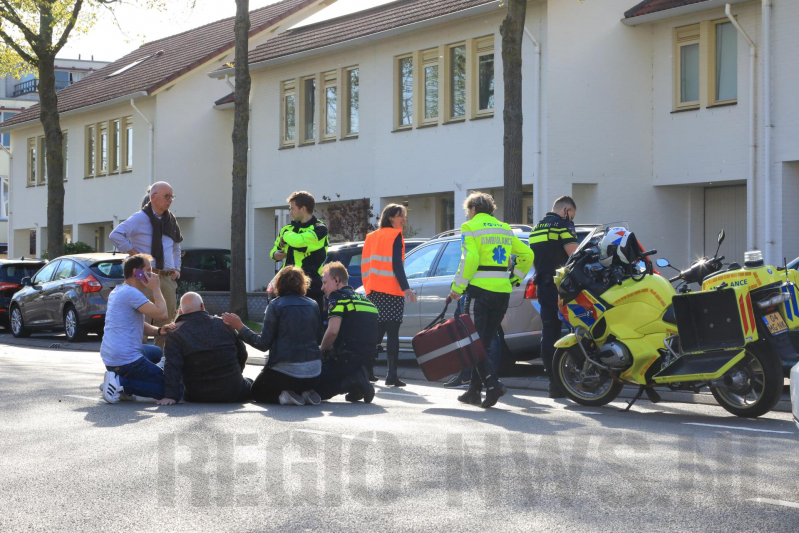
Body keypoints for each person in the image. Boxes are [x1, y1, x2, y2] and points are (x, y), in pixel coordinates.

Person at [447, 192, 534, 408]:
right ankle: (474, 391)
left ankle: (492, 384)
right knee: (483, 342)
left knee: (473, 341)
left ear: (473, 209)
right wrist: (515, 278)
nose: (468, 215)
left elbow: (471, 258)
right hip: (502, 292)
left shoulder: (470, 227)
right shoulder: (504, 228)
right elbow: (527, 255)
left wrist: (458, 287)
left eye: (468, 211)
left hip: (479, 292)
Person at [223, 266, 323, 406]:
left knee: (257, 390)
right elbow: (318, 337)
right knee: (293, 379)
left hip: (287, 373)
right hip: (314, 372)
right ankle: (305, 391)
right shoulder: (313, 305)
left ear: (279, 284)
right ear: (302, 284)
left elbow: (263, 344)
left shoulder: (276, 305)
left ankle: (285, 397)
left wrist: (240, 327)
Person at [110, 181, 182, 350]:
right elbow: (115, 235)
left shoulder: (171, 220)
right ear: (153, 197)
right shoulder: (139, 218)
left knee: (168, 323)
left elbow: (177, 246)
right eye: (166, 196)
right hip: (144, 276)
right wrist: (136, 256)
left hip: (166, 277)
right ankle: (137, 359)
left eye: (171, 196)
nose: (170, 200)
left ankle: (163, 362)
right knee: (139, 320)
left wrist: (177, 268)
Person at [100, 254, 175, 404]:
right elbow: (162, 314)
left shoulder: (119, 291)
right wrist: (156, 288)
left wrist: (159, 331)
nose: (153, 274)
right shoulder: (131, 293)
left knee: (157, 353)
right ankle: (121, 384)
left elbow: (135, 323)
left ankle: (119, 380)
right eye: (149, 270)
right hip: (125, 360)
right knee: (170, 389)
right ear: (137, 273)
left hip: (112, 356)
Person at [156, 293, 252, 406]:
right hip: (233, 391)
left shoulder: (175, 332)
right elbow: (242, 353)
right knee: (250, 382)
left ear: (181, 311)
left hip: (196, 394)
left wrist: (170, 395)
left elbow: (172, 365)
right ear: (202, 306)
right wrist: (236, 372)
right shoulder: (224, 324)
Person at [361, 204, 418, 386]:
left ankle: (367, 372)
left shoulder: (371, 237)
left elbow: (366, 265)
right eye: (401, 216)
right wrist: (406, 288)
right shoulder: (395, 235)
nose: (404, 219)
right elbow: (396, 265)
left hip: (373, 290)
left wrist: (368, 286)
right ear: (391, 217)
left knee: (375, 334)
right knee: (392, 334)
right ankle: (391, 374)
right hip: (392, 291)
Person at [529, 195, 579, 398]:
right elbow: (575, 255)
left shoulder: (536, 229)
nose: (572, 219)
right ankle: (575, 379)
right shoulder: (563, 226)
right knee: (577, 329)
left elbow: (535, 261)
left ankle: (554, 383)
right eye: (572, 215)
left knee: (549, 331)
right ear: (566, 210)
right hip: (564, 286)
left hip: (543, 285)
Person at [315, 262, 376, 403]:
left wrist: (321, 350)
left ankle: (353, 380)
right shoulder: (366, 301)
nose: (322, 288)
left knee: (315, 390)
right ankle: (357, 386)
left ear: (336, 280)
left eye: (324, 283)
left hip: (347, 359)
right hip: (367, 361)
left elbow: (333, 332)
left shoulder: (337, 297)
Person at [269, 191, 329, 313]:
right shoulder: (287, 229)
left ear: (303, 209)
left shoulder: (320, 228)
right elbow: (274, 251)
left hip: (311, 285)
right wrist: (276, 255)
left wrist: (285, 237)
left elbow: (300, 242)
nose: (290, 212)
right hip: (288, 284)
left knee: (312, 325)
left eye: (292, 209)